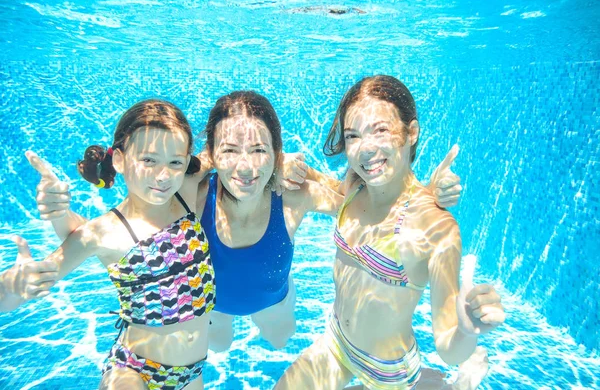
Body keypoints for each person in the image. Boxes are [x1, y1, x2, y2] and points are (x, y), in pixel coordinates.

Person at [29, 91, 462, 354]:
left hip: (275, 302)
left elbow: (368, 197)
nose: (246, 168)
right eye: (231, 151)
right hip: (213, 309)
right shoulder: (192, 194)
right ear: (212, 155)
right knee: (217, 344)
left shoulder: (292, 197)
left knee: (279, 340)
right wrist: (58, 214)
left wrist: (424, 192)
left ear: (277, 152)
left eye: (260, 150)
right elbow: (118, 229)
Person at [274, 76, 505, 390]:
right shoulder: (355, 185)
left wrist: (467, 328)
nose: (365, 149)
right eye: (353, 136)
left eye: (379, 130)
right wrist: (283, 165)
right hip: (337, 342)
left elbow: (448, 347)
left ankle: (462, 382)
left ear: (411, 133)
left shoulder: (434, 226)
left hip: (389, 371)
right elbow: (319, 186)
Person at [1, 99, 215, 390]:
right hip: (135, 372)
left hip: (192, 374)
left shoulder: (186, 191)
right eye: (149, 160)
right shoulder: (103, 232)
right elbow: (14, 295)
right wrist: (12, 286)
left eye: (175, 162)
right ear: (119, 160)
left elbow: (232, 151)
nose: (163, 175)